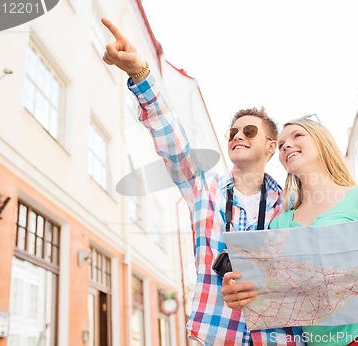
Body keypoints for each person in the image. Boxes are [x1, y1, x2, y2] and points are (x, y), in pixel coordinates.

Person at [101, 18, 304, 345]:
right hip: (214, 334)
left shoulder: (292, 204)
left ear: (271, 146)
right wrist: (140, 74)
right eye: (233, 132)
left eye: (249, 131)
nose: (238, 135)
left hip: (278, 338)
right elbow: (172, 140)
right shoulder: (203, 186)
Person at [221, 116, 358, 346]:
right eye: (282, 142)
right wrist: (239, 293)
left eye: (297, 135)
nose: (286, 145)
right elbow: (273, 295)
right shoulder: (280, 224)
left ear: (321, 142)